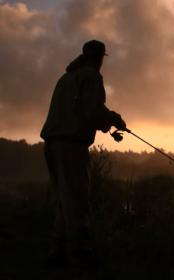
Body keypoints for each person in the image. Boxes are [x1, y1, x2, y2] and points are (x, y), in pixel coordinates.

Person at [40, 40, 126, 267]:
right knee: (77, 200)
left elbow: (80, 111)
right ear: (99, 58)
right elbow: (93, 111)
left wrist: (105, 124)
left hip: (51, 145)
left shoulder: (65, 78)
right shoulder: (91, 76)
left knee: (63, 201)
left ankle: (57, 254)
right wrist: (114, 119)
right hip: (71, 146)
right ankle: (80, 257)